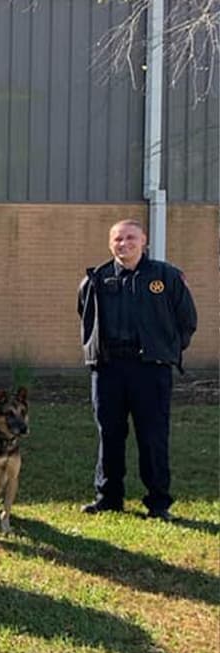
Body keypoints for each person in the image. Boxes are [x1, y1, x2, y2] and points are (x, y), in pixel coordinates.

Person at [78, 219, 196, 521]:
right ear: (110, 243)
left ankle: (158, 503)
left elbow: (187, 320)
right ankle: (108, 498)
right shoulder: (97, 279)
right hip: (109, 369)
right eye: (118, 239)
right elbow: (86, 314)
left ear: (144, 241)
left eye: (131, 238)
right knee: (110, 434)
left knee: (153, 436)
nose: (124, 244)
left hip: (150, 370)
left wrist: (165, 349)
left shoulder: (165, 276)